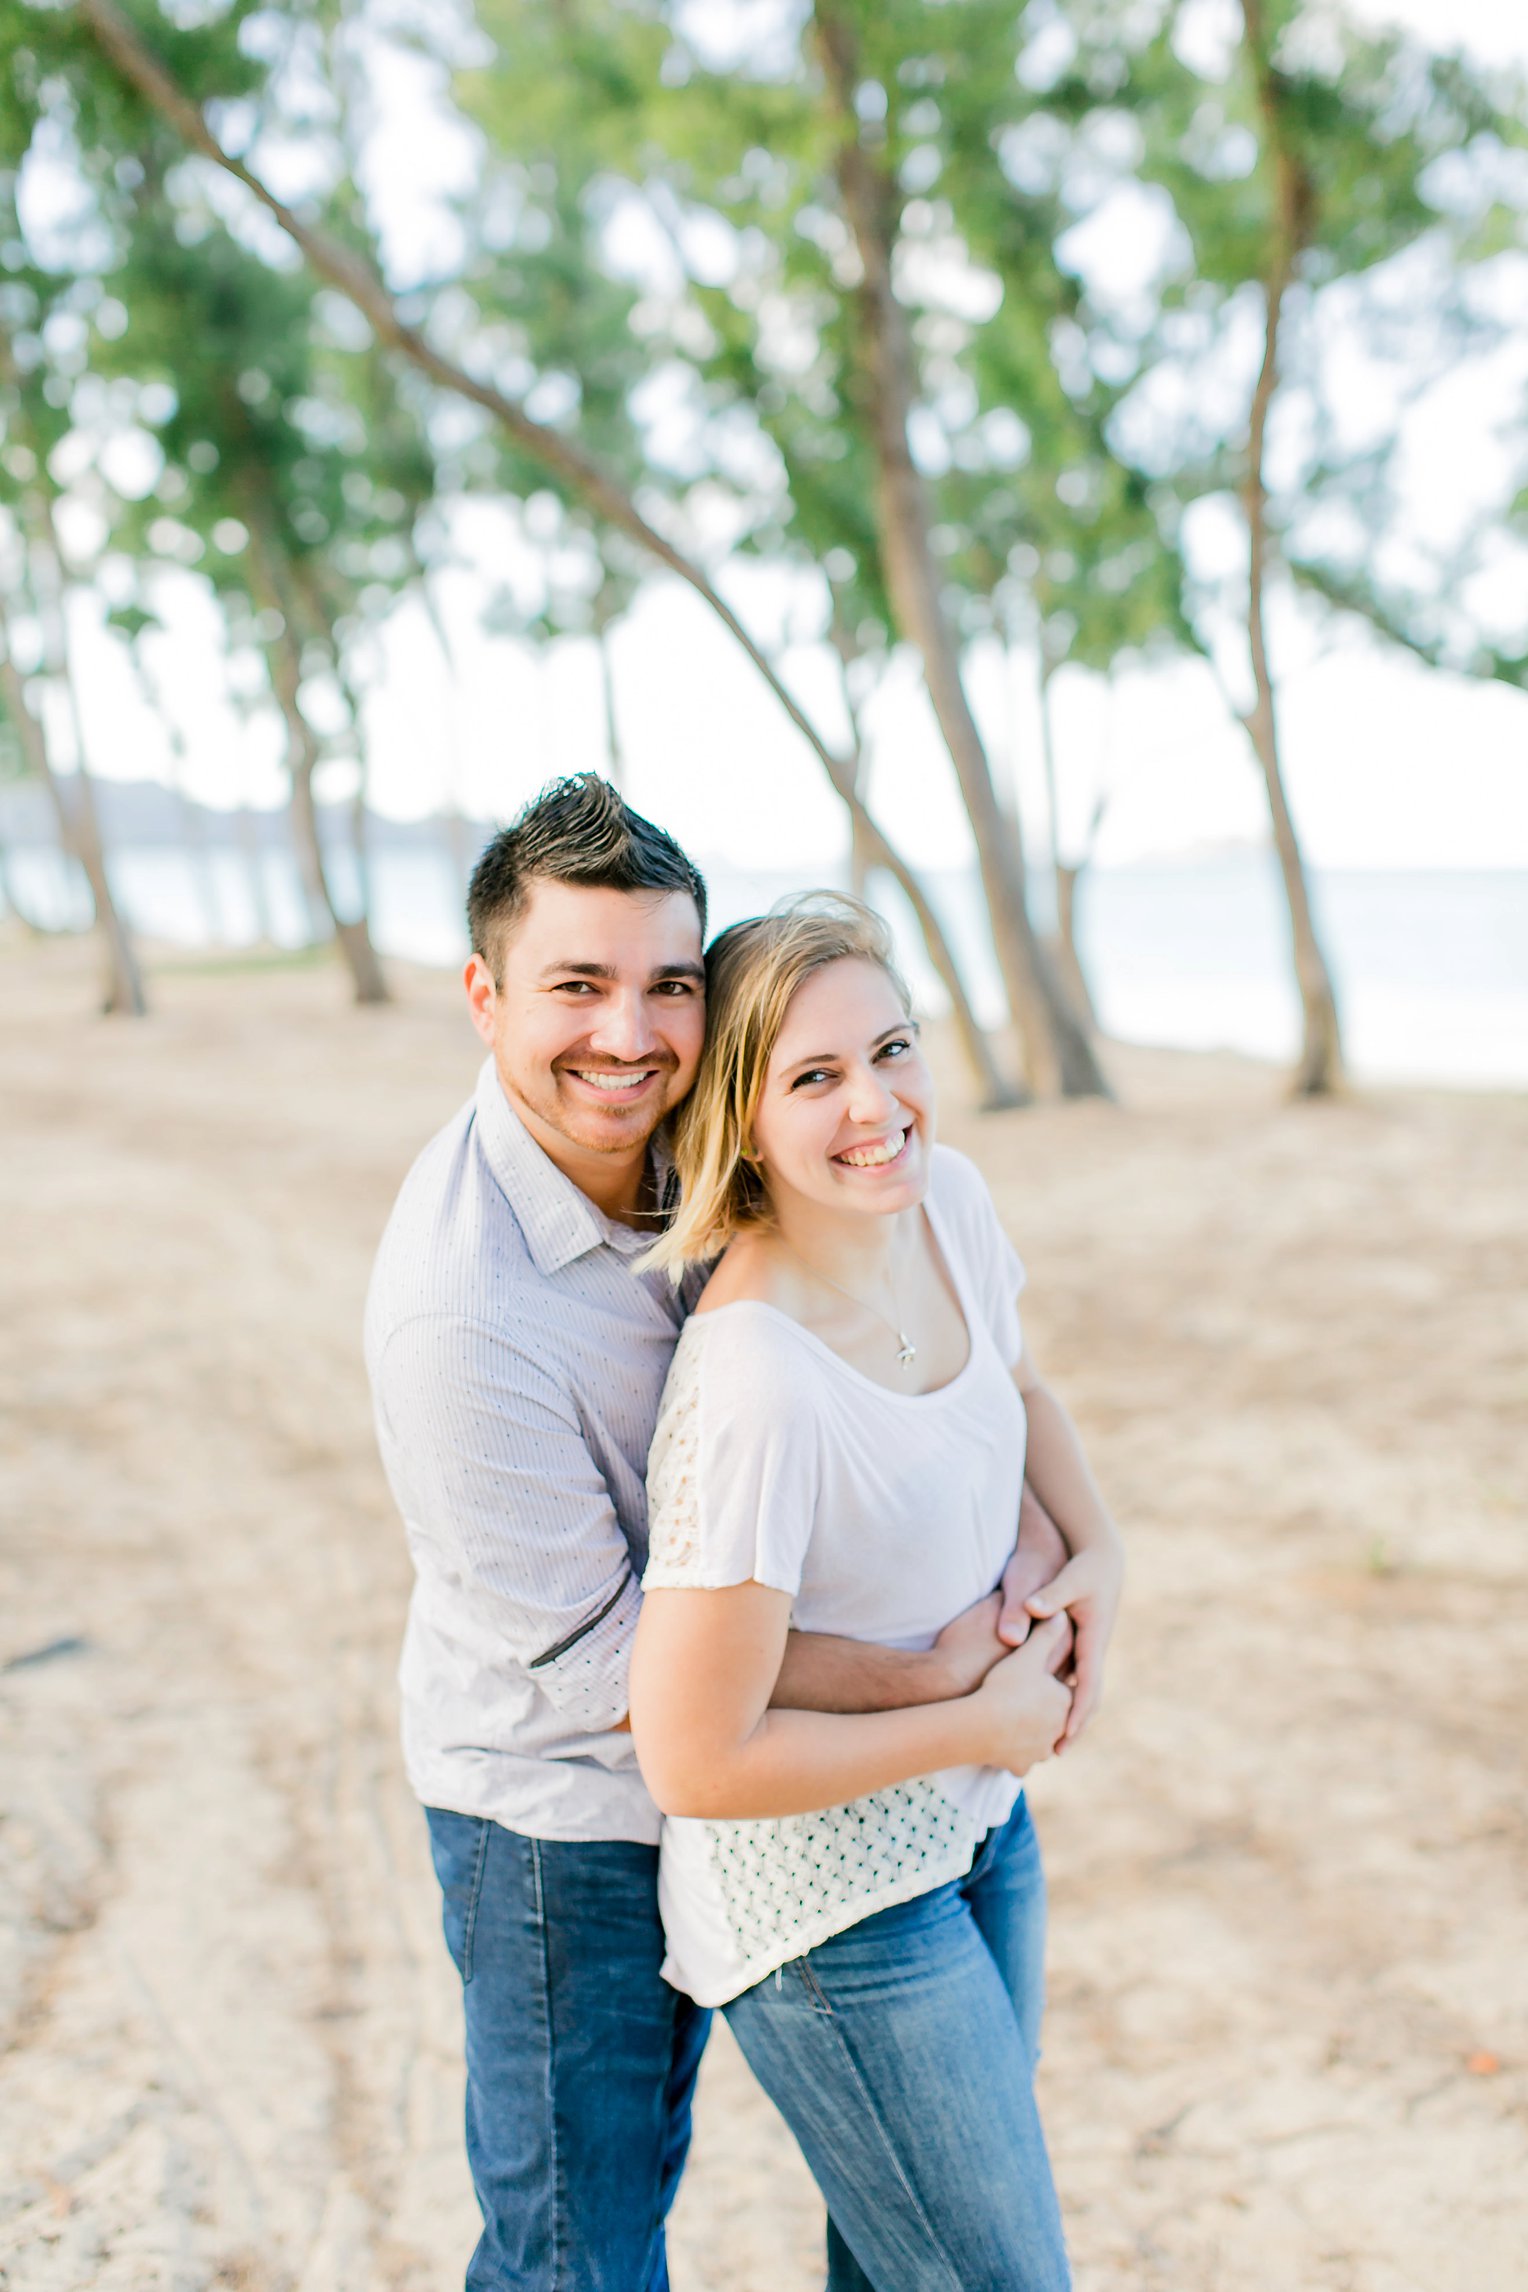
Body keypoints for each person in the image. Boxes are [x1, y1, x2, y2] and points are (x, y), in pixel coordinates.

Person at [365, 777, 1078, 2292]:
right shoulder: (460, 1315)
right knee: (582, 2250)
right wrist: (942, 1686)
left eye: (666, 986)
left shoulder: (714, 1148)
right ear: (484, 995)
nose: (628, 1035)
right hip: (560, 1813)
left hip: (786, 1773)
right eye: (576, 986)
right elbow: (625, 1672)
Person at [630, 893, 1125, 2292]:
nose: (877, 1104)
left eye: (892, 1048)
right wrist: (971, 1719)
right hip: (825, 1906)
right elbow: (695, 1755)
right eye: (814, 1077)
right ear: (742, 1121)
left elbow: (1017, 1390)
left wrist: (1101, 1557)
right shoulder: (755, 1387)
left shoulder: (948, 1202)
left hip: (980, 1828)